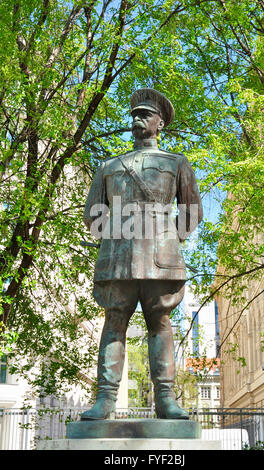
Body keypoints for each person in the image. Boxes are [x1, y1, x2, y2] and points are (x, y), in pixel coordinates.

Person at [81, 88, 203, 420]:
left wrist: (165, 237)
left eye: (145, 114)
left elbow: (192, 212)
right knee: (114, 322)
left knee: (160, 323)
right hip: (117, 259)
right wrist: (115, 239)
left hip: (161, 259)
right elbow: (93, 213)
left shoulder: (175, 163)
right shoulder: (109, 165)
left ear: (160, 123)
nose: (137, 118)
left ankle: (165, 399)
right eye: (134, 114)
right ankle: (104, 399)